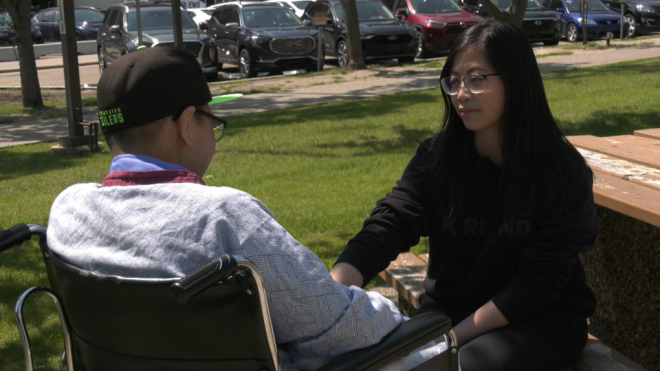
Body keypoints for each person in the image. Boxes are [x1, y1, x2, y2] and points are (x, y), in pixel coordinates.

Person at [46, 47, 411, 371]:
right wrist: (392, 310)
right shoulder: (222, 217)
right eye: (212, 123)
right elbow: (342, 331)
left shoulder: (68, 210)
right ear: (187, 124)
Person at [330, 19, 599, 371]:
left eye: (476, 79)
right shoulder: (437, 159)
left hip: (538, 322)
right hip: (448, 314)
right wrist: (331, 293)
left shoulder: (560, 172)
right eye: (454, 82)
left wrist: (451, 340)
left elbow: (537, 286)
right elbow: (390, 223)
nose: (461, 93)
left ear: (516, 80)